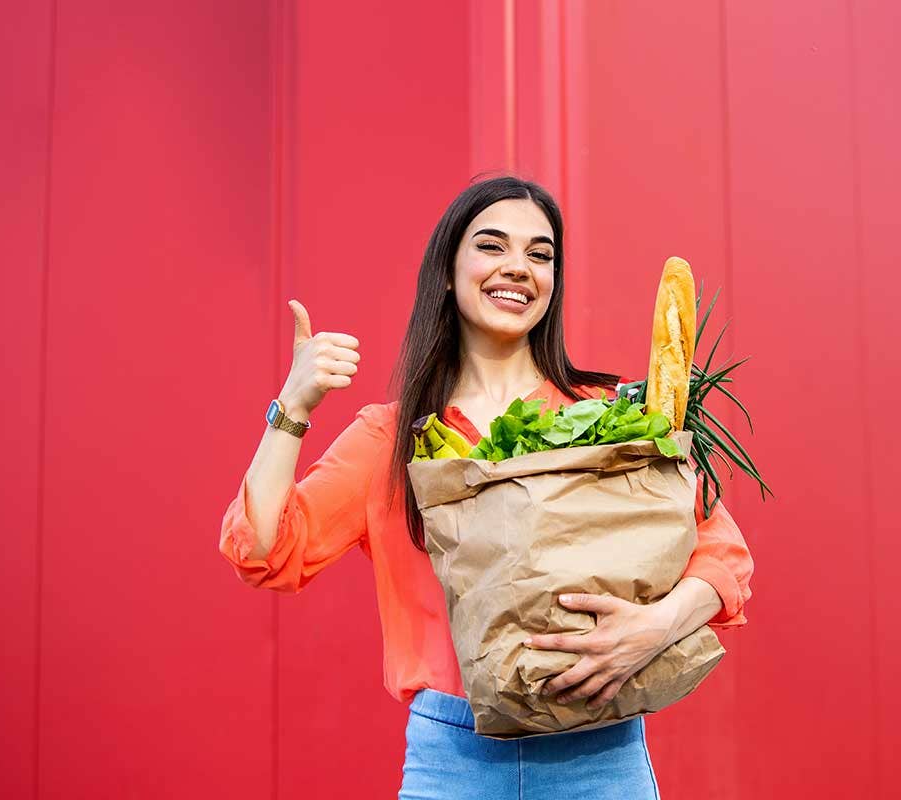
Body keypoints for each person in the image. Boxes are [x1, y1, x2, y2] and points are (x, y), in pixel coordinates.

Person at [218, 174, 755, 799]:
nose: (518, 268)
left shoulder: (608, 416)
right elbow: (262, 553)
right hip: (453, 760)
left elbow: (723, 555)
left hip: (599, 756)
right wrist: (294, 405)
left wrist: (656, 625)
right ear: (448, 271)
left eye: (540, 254)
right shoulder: (394, 441)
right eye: (492, 246)